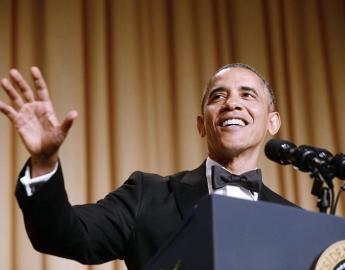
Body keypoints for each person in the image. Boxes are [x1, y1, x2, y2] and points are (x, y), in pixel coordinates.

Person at [0, 63, 296, 270]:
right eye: (218, 96)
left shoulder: (293, 220)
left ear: (273, 122)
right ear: (201, 125)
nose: (232, 103)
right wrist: (43, 163)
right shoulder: (147, 195)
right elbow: (67, 235)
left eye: (247, 94)